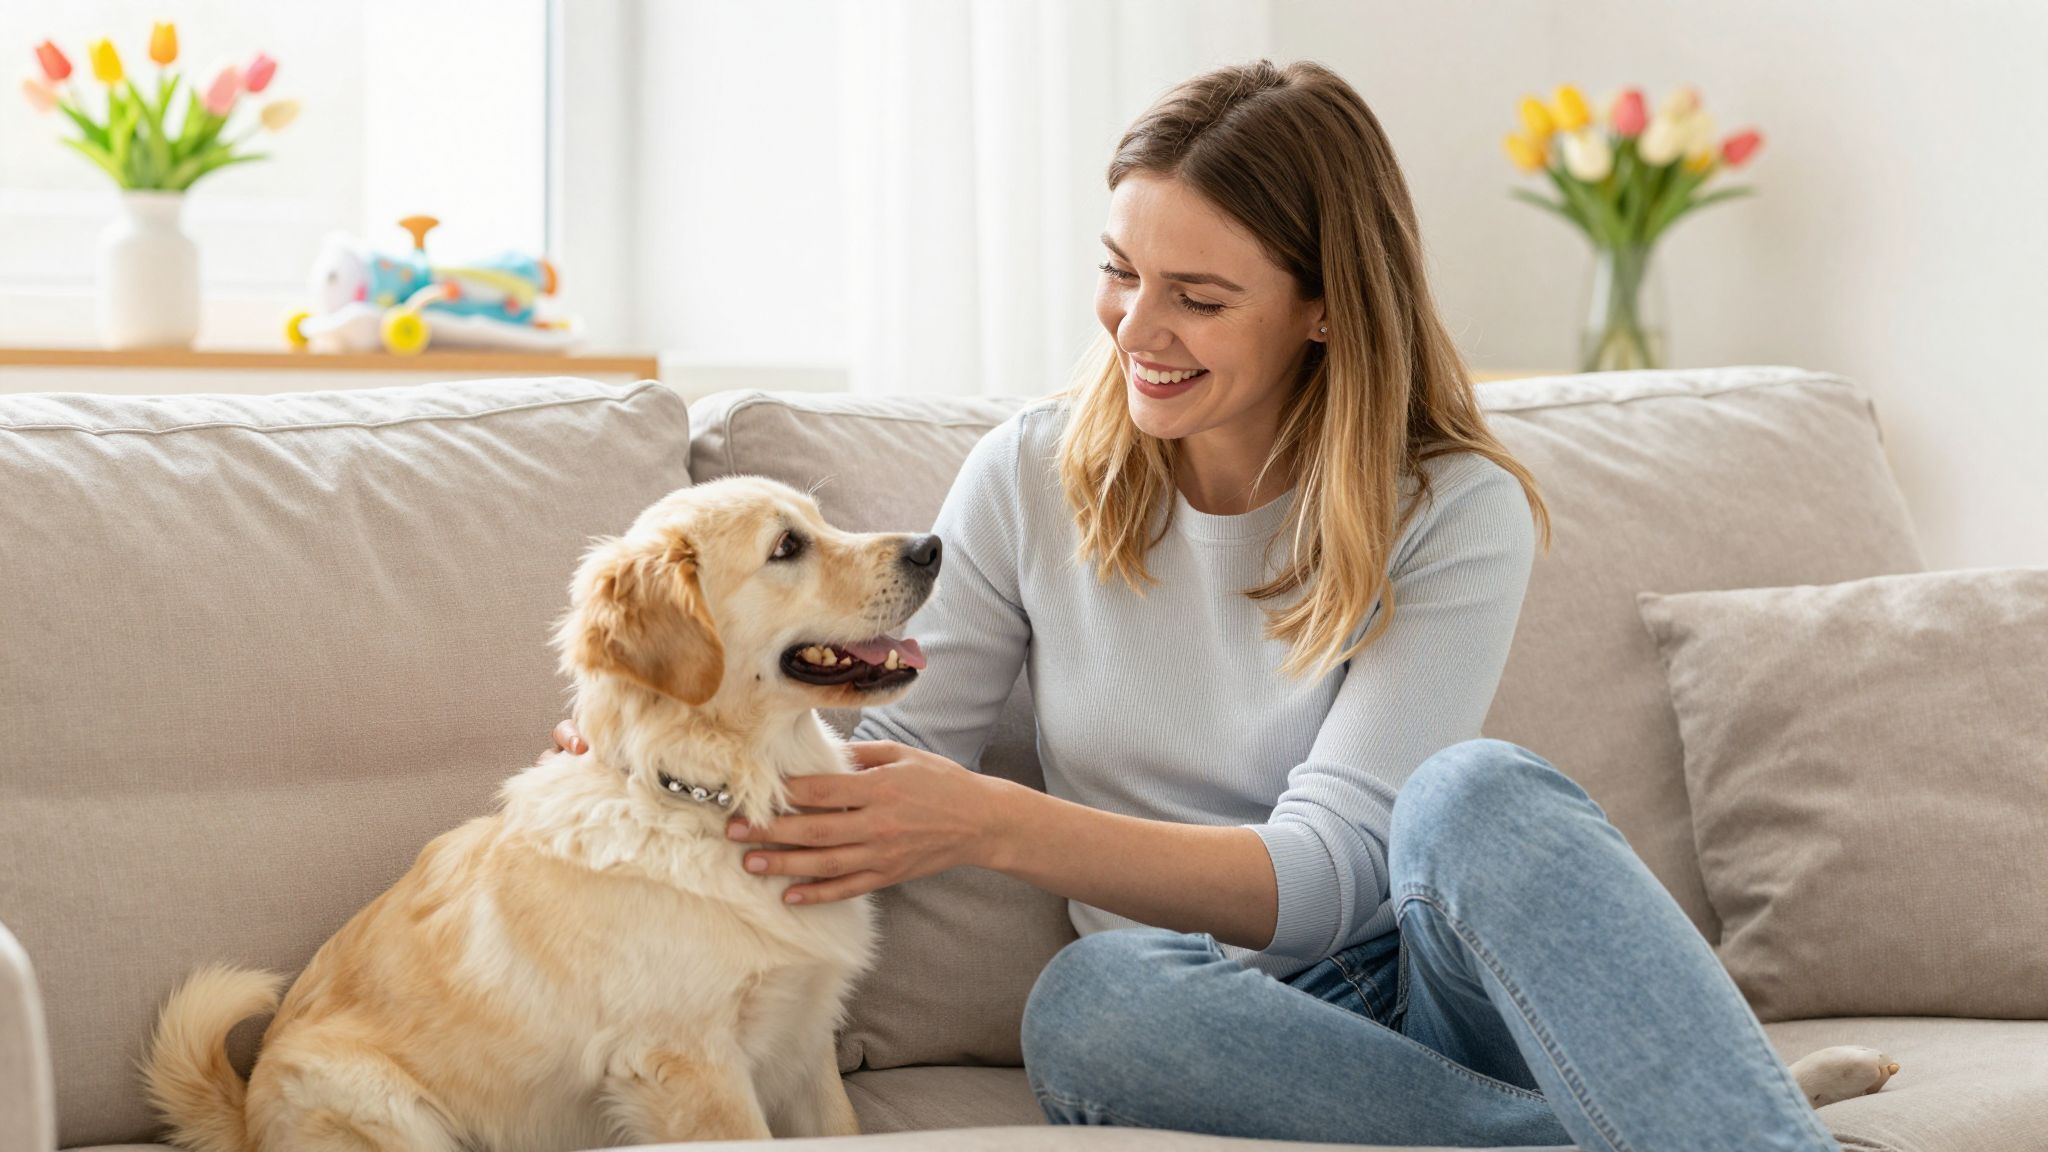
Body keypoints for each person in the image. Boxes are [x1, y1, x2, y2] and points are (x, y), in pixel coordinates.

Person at [553, 58, 1839, 1152]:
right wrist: (678, 754)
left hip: (1434, 983)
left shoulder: (1451, 507)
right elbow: (890, 741)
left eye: (1200, 297)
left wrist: (996, 824)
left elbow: (1337, 878)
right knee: (1088, 995)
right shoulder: (1030, 472)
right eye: (1120, 272)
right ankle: (1660, 1119)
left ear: (1325, 307)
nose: (1135, 330)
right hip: (1192, 1017)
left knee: (1478, 792)